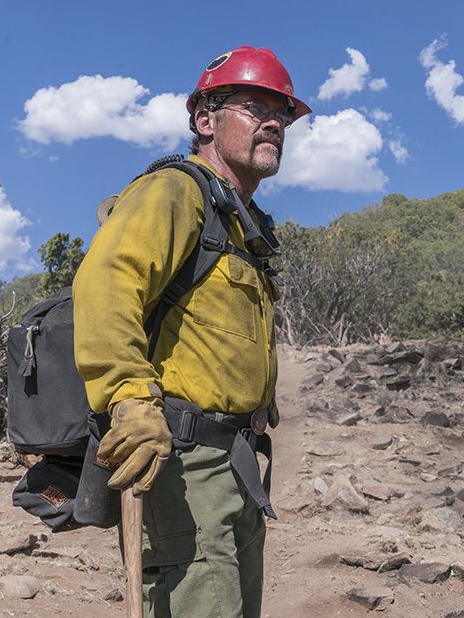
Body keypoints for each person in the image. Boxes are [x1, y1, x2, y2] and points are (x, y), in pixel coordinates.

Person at [73, 46, 311, 617]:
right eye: (255, 108)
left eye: (282, 115)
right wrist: (128, 399)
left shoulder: (242, 225)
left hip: (238, 464)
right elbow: (106, 287)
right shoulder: (175, 192)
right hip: (182, 463)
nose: (274, 123)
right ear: (206, 120)